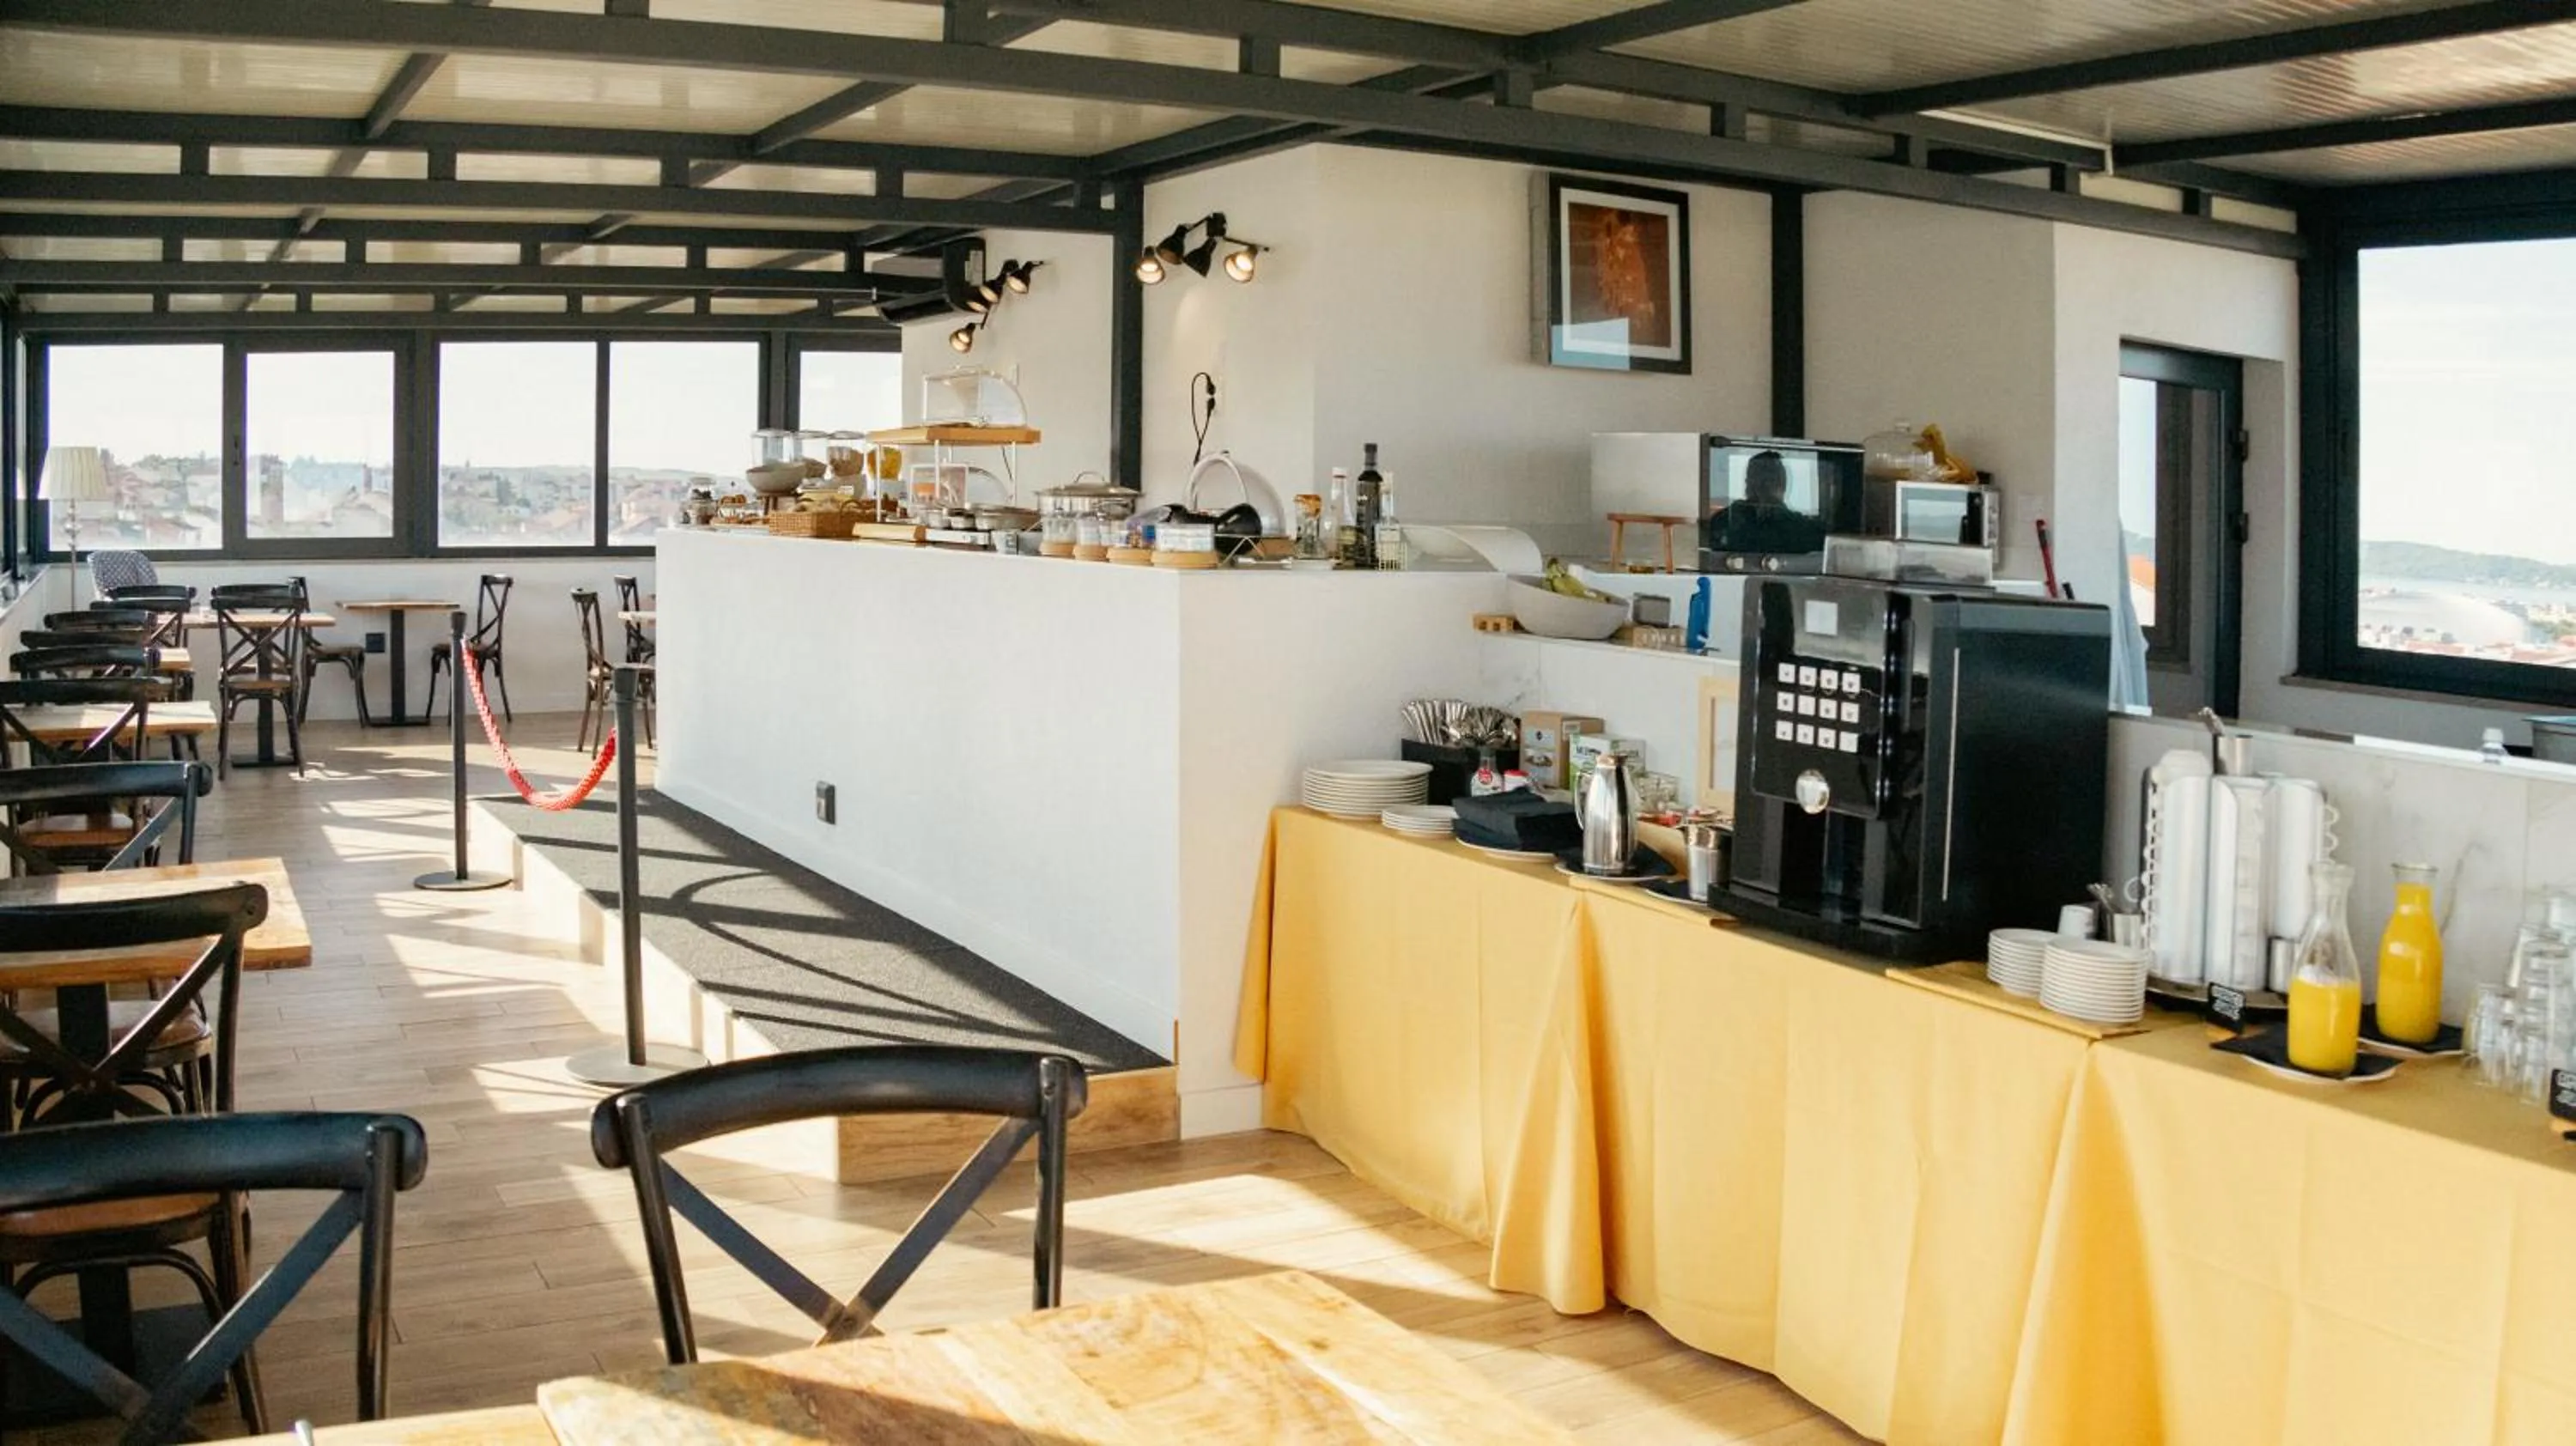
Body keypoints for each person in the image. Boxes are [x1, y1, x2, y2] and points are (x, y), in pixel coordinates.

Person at [1704, 450, 1826, 557]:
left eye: (1769, 480)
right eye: (1763, 481)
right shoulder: (1804, 528)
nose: (1765, 486)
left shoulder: (1723, 521)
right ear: (1784, 485)